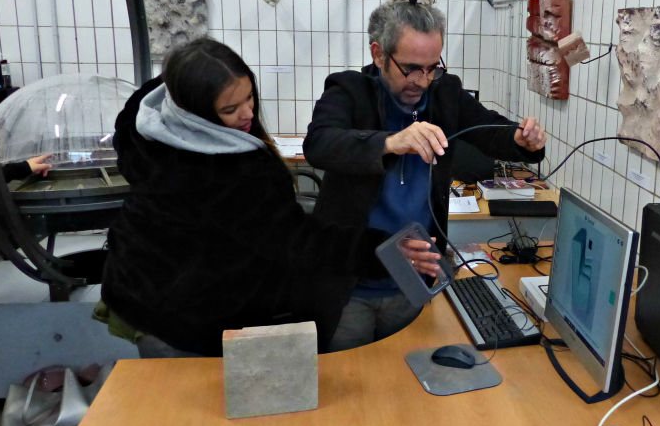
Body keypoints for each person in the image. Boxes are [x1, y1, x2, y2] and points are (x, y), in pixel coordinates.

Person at [101, 38, 440, 357]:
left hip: (137, 285)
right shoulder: (228, 173)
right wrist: (382, 251)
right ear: (194, 110)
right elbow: (298, 241)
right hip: (185, 316)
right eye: (230, 109)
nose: (248, 114)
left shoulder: (148, 121)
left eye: (249, 96)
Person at [304, 0, 547, 351]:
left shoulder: (445, 93)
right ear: (379, 54)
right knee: (351, 381)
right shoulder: (349, 90)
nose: (422, 80)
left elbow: (488, 129)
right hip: (350, 284)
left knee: (406, 377)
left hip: (413, 281)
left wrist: (523, 140)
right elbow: (319, 143)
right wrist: (390, 142)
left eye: (433, 67)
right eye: (411, 69)